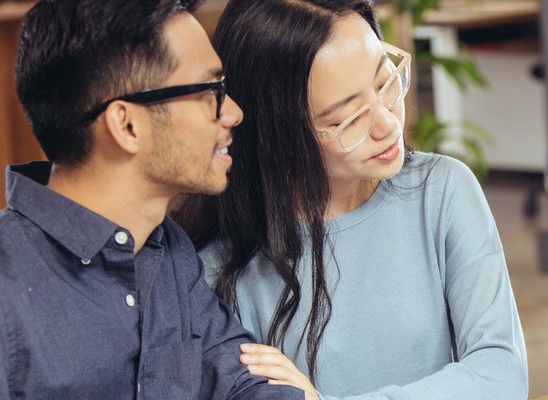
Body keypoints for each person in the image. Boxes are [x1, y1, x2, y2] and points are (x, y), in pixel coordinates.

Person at [0, 0, 302, 398]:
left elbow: (243, 382)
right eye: (211, 91)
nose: (233, 112)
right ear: (126, 125)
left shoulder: (165, 253)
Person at [172, 0, 528, 398]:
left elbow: (501, 372)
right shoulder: (217, 265)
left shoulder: (442, 190)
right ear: (280, 137)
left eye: (384, 83)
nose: (388, 123)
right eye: (348, 119)